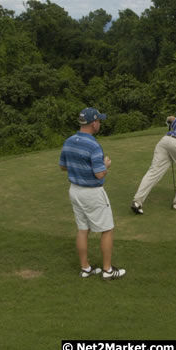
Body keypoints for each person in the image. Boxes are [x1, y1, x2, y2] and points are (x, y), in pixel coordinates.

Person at [59, 107, 126, 280]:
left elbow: (63, 166)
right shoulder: (94, 145)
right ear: (93, 123)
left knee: (82, 229)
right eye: (99, 121)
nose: (100, 124)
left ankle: (85, 268)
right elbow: (99, 173)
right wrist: (106, 165)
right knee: (107, 229)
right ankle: (107, 270)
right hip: (92, 193)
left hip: (74, 191)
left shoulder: (69, 141)